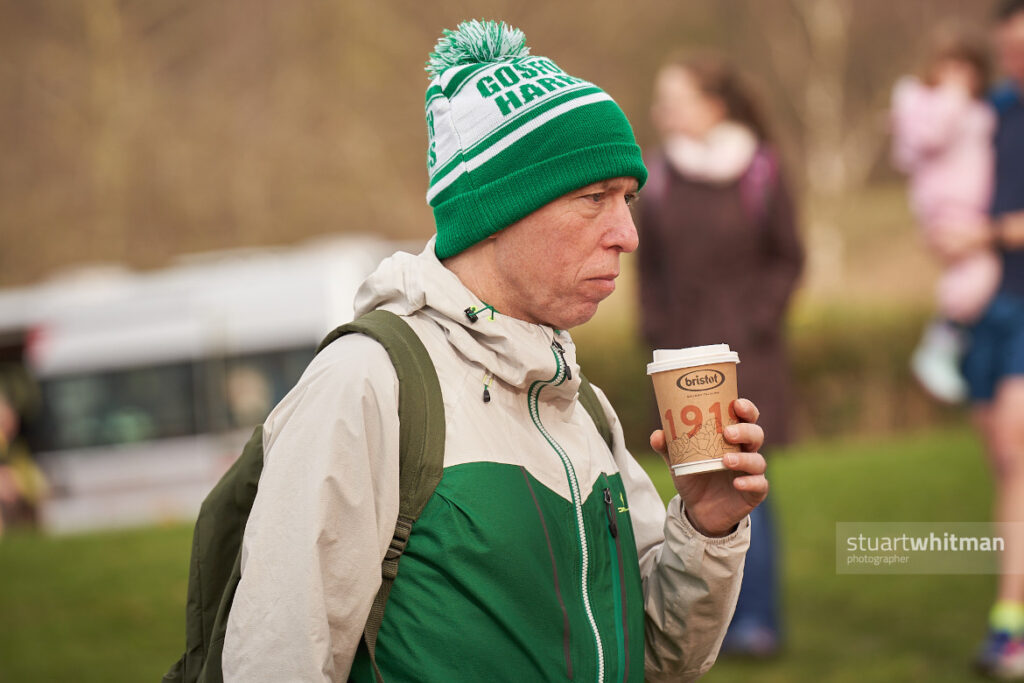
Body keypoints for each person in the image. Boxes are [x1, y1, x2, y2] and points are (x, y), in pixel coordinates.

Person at [220, 20, 770, 682]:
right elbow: (276, 659)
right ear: (497, 212)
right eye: (593, 198)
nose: (627, 233)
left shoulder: (580, 405)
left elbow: (656, 653)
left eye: (626, 199)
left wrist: (705, 529)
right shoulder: (367, 384)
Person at [637, 53, 803, 657]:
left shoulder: (760, 169)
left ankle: (756, 619)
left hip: (748, 356)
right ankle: (704, 621)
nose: (662, 113)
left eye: (674, 99)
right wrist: (657, 333)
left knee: (751, 481)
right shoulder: (655, 176)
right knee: (692, 485)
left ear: (715, 105)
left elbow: (789, 257)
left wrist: (755, 321)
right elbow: (646, 270)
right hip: (678, 359)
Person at [947, 2, 1024, 678]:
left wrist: (987, 233)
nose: (1017, 63)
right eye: (1010, 52)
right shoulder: (992, 109)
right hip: (985, 307)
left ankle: (1009, 626)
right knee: (1004, 463)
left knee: (1014, 447)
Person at [891, 32, 1000, 404]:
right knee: (979, 275)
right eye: (951, 67)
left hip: (968, 207)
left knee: (973, 276)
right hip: (949, 206)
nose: (959, 77)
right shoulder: (927, 103)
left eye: (966, 70)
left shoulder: (979, 109)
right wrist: (952, 99)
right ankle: (940, 345)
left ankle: (949, 342)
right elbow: (925, 139)